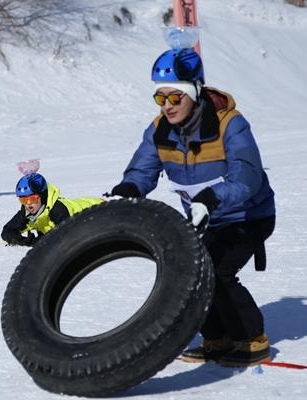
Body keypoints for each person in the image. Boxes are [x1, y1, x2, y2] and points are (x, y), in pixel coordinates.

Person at [108, 47, 275, 367]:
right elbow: (142, 170)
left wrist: (211, 198)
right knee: (189, 272)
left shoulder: (231, 124)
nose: (167, 106)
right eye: (161, 98)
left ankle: (252, 338)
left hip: (248, 215)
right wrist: (126, 191)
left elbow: (248, 175)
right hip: (204, 218)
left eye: (175, 97)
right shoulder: (159, 129)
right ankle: (217, 338)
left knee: (217, 271)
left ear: (195, 92)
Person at [1, 173, 103, 246]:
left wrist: (38, 241)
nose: (28, 204)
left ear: (43, 195)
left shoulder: (58, 210)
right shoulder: (28, 212)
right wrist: (21, 240)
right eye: (23, 200)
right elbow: (7, 232)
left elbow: (65, 237)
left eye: (32, 198)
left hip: (98, 209)